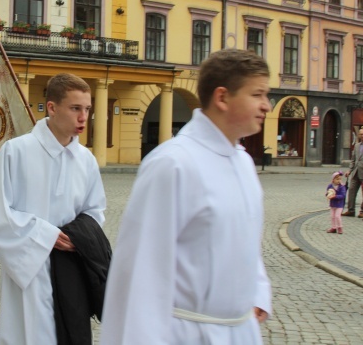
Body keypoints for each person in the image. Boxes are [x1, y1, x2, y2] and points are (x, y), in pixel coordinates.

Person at [101, 49, 272, 344]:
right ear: (222, 97)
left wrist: (256, 293)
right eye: (257, 94)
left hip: (240, 330)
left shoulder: (243, 162)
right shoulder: (173, 164)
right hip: (188, 333)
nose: (266, 105)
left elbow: (244, 242)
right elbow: (142, 271)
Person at [0, 73, 107, 344]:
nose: (83, 117)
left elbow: (95, 211)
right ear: (52, 107)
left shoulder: (86, 160)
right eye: (75, 108)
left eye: (87, 109)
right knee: (32, 334)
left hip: (72, 266)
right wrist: (44, 235)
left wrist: (78, 237)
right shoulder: (16, 152)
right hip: (32, 265)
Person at [343, 128, 363, 217]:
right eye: (360, 134)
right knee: (351, 190)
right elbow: (353, 160)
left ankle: (362, 211)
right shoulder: (357, 146)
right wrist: (349, 170)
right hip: (355, 172)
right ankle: (351, 210)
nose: (361, 136)